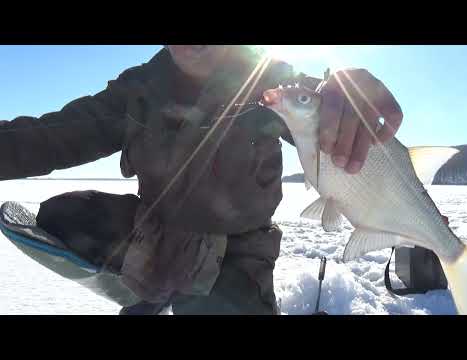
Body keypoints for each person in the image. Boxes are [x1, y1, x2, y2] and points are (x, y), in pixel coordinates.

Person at [1, 45, 403, 315]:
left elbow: (318, 97)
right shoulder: (138, 90)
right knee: (62, 213)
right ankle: (149, 283)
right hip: (154, 234)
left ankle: (178, 286)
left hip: (236, 253)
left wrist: (343, 98)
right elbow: (56, 134)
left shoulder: (268, 79)